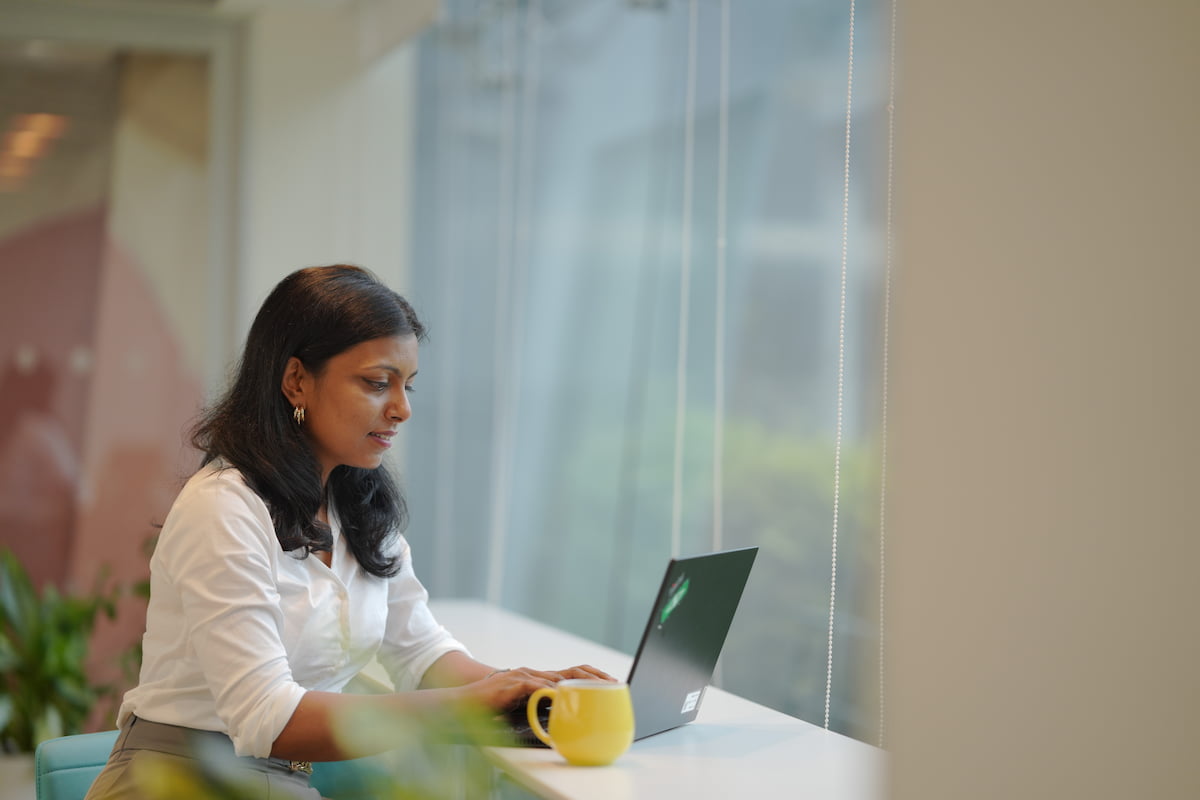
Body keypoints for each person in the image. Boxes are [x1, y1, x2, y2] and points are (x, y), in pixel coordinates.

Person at [84, 265, 611, 800]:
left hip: (275, 779)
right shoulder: (223, 507)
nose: (402, 409)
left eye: (407, 386)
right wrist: (474, 701)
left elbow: (421, 654)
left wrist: (531, 692)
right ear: (296, 381)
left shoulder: (355, 506)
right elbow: (268, 717)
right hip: (179, 782)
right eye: (377, 383)